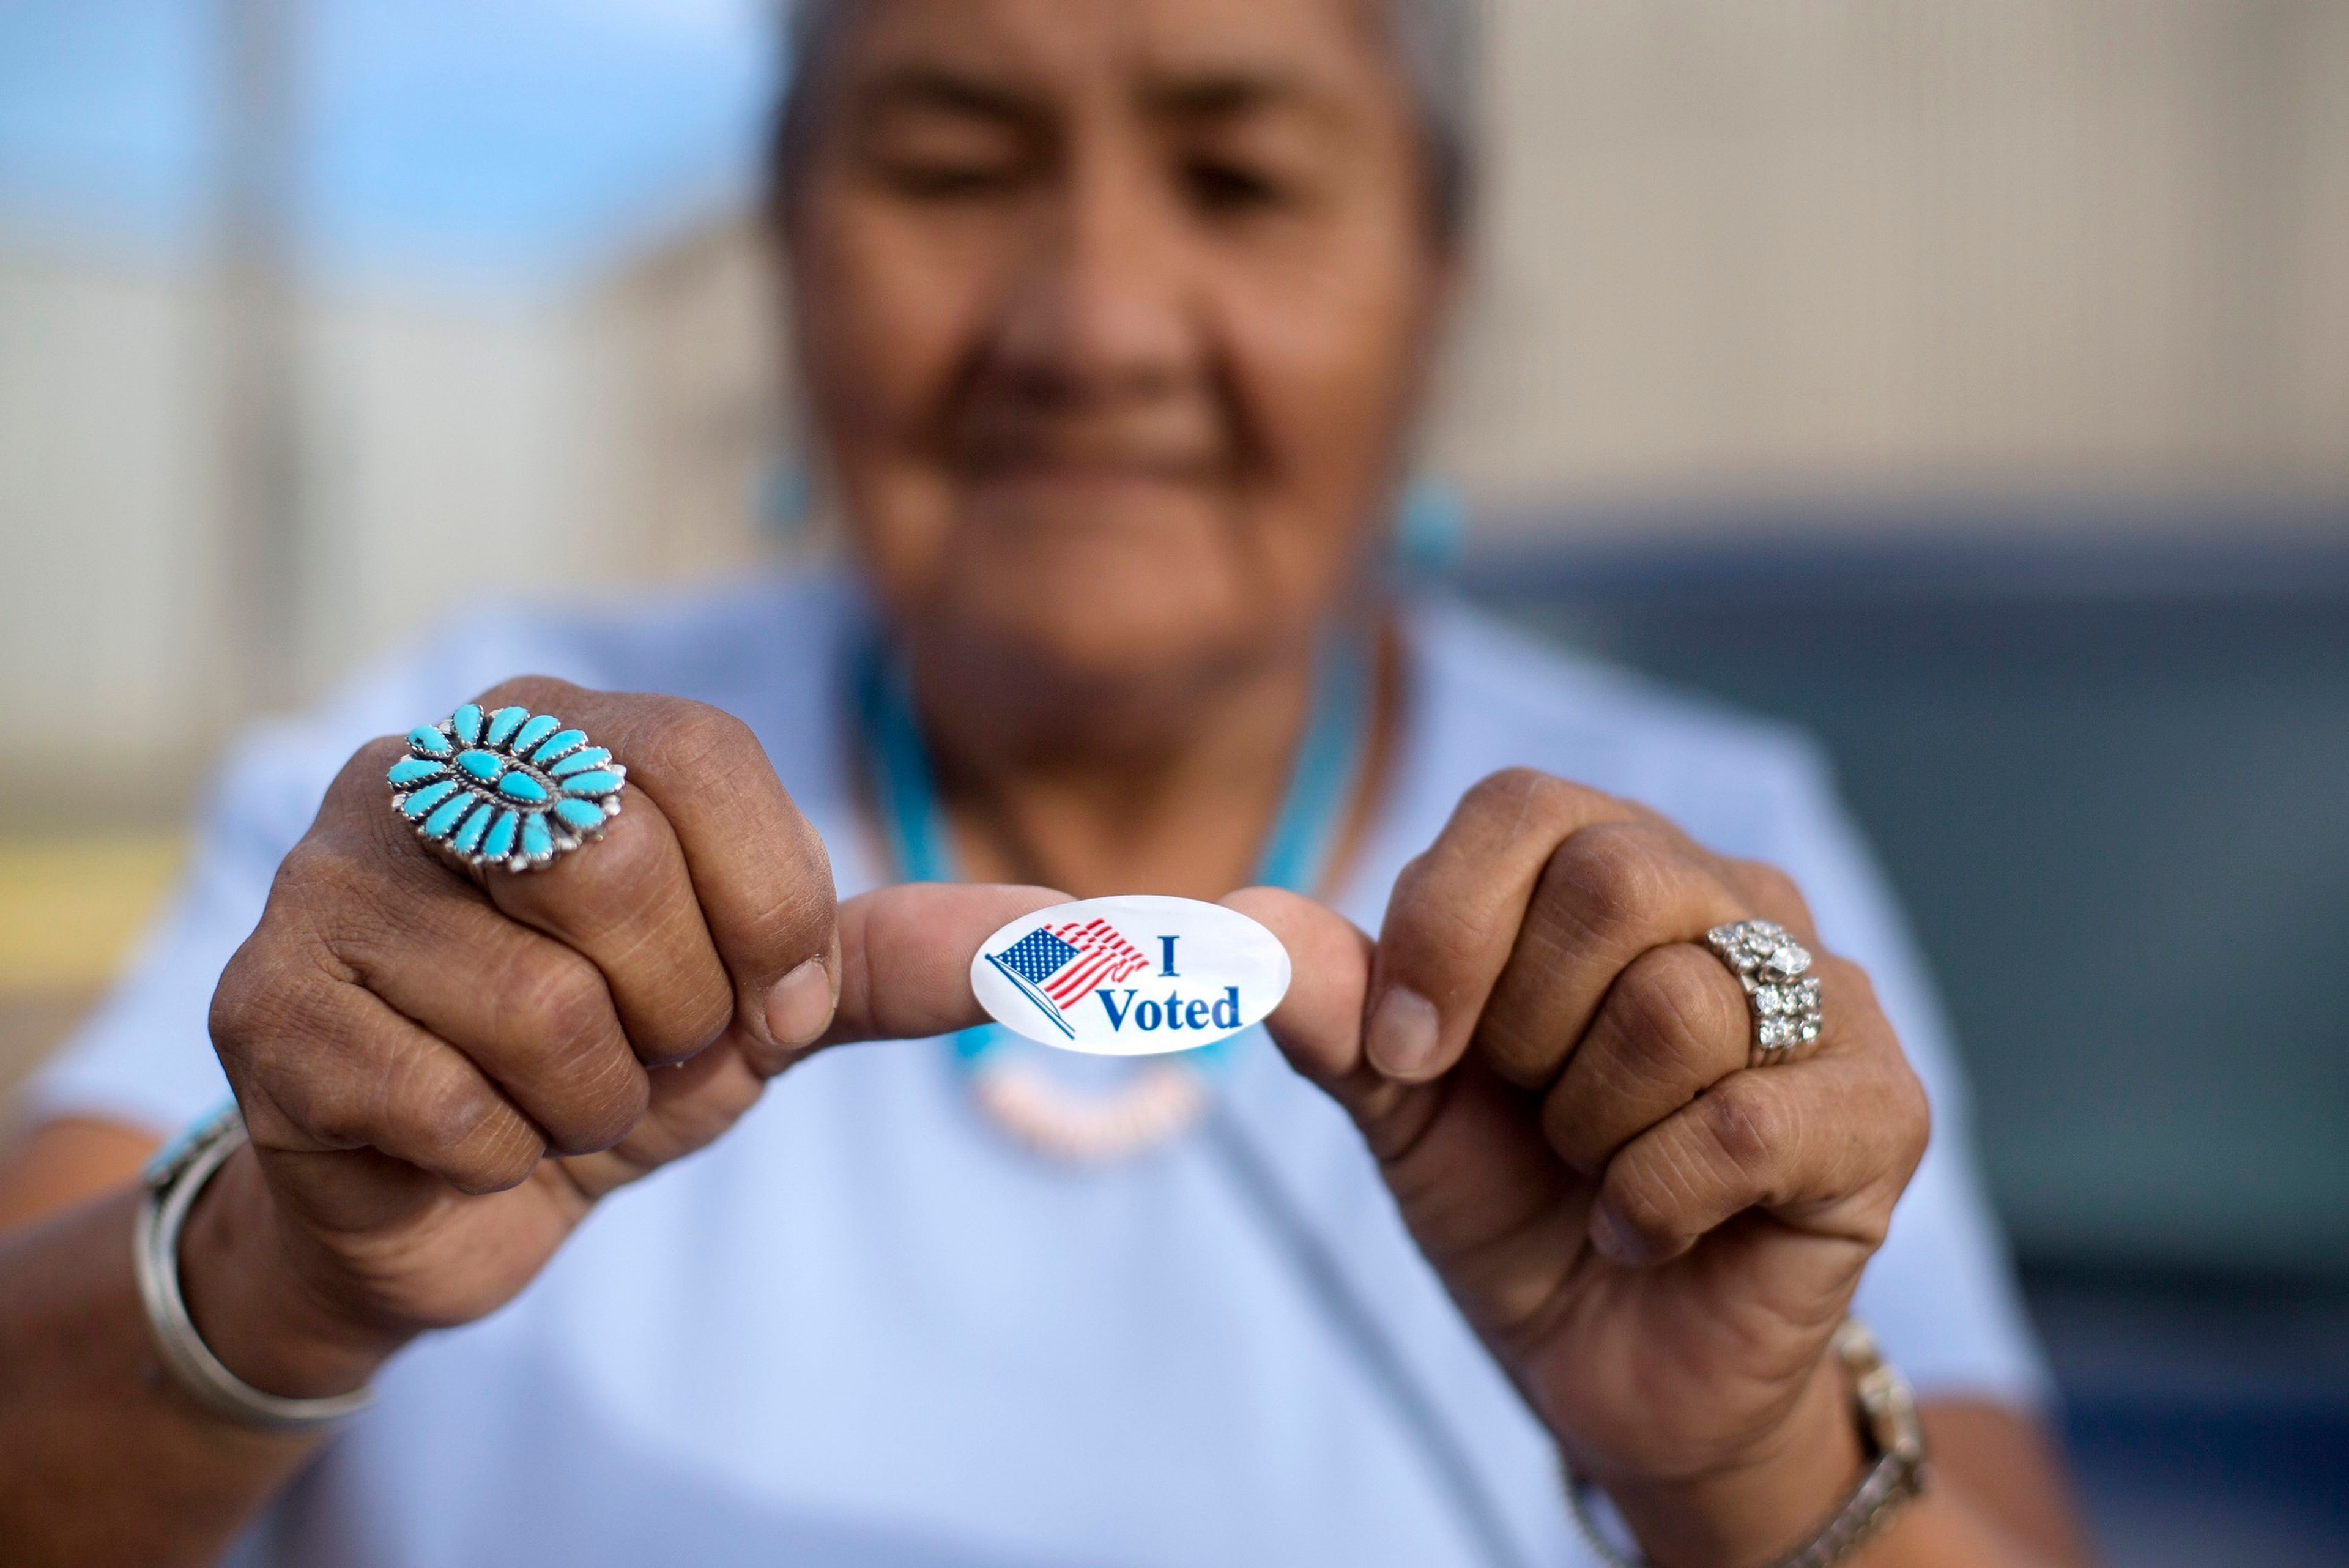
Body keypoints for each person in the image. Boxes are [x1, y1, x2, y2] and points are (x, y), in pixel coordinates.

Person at [0, 1, 2096, 1564]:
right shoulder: (486, 765)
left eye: (1241, 178)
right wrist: (279, 1263)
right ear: (790, 252)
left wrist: (1737, 1458)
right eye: (950, 160)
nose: (1093, 322)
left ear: (1433, 284)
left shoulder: (1693, 857)